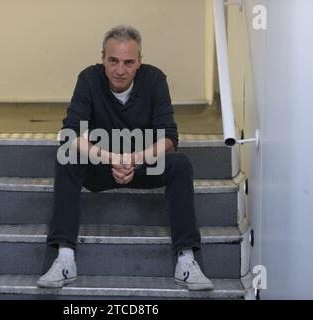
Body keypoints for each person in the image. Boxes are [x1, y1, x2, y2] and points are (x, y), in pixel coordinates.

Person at [37, 25, 214, 291]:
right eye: (113, 61)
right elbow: (70, 135)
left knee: (180, 163)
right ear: (103, 58)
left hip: (142, 165)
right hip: (102, 164)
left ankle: (186, 260)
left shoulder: (155, 80)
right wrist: (113, 159)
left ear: (140, 61)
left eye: (129, 62)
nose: (120, 70)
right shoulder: (88, 78)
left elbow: (169, 138)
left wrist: (133, 159)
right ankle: (64, 258)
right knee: (67, 157)